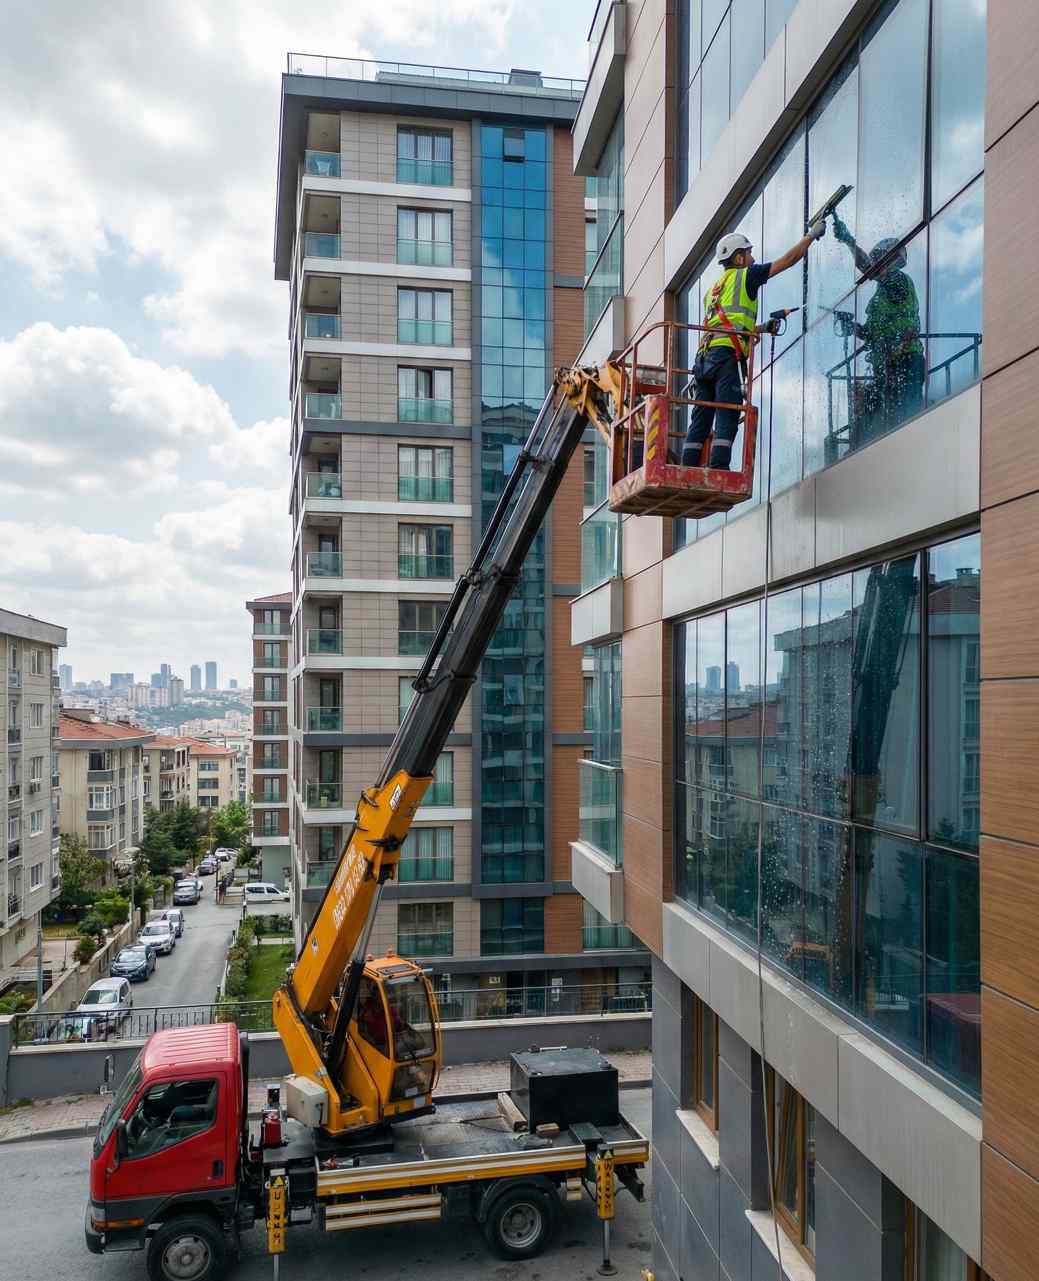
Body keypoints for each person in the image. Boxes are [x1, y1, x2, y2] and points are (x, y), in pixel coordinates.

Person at [682, 219, 827, 469]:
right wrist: (811, 236)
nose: (752, 258)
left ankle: (686, 469)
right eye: (748, 253)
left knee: (701, 418)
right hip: (726, 358)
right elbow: (788, 261)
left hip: (704, 360)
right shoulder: (746, 275)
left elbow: (726, 325)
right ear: (738, 258)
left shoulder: (714, 289)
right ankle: (718, 468)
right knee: (728, 410)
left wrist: (761, 328)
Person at [831, 214, 924, 444]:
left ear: (890, 260)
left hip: (906, 363)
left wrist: (848, 240)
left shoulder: (900, 282)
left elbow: (869, 269)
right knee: (866, 420)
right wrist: (852, 328)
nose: (876, 265)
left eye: (880, 260)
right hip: (887, 366)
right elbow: (871, 334)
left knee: (903, 423)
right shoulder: (880, 298)